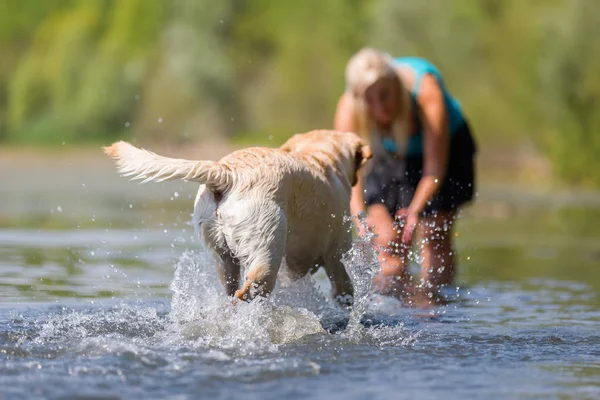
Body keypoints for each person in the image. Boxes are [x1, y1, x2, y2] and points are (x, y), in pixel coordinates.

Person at [333, 47, 477, 298]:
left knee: (434, 236)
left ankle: (432, 307)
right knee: (385, 240)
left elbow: (434, 168)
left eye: (385, 96)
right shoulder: (348, 107)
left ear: (396, 86)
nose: (379, 108)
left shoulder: (425, 89)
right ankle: (391, 309)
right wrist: (359, 219)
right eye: (370, 100)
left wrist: (415, 210)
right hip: (388, 154)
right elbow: (350, 175)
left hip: (444, 151)